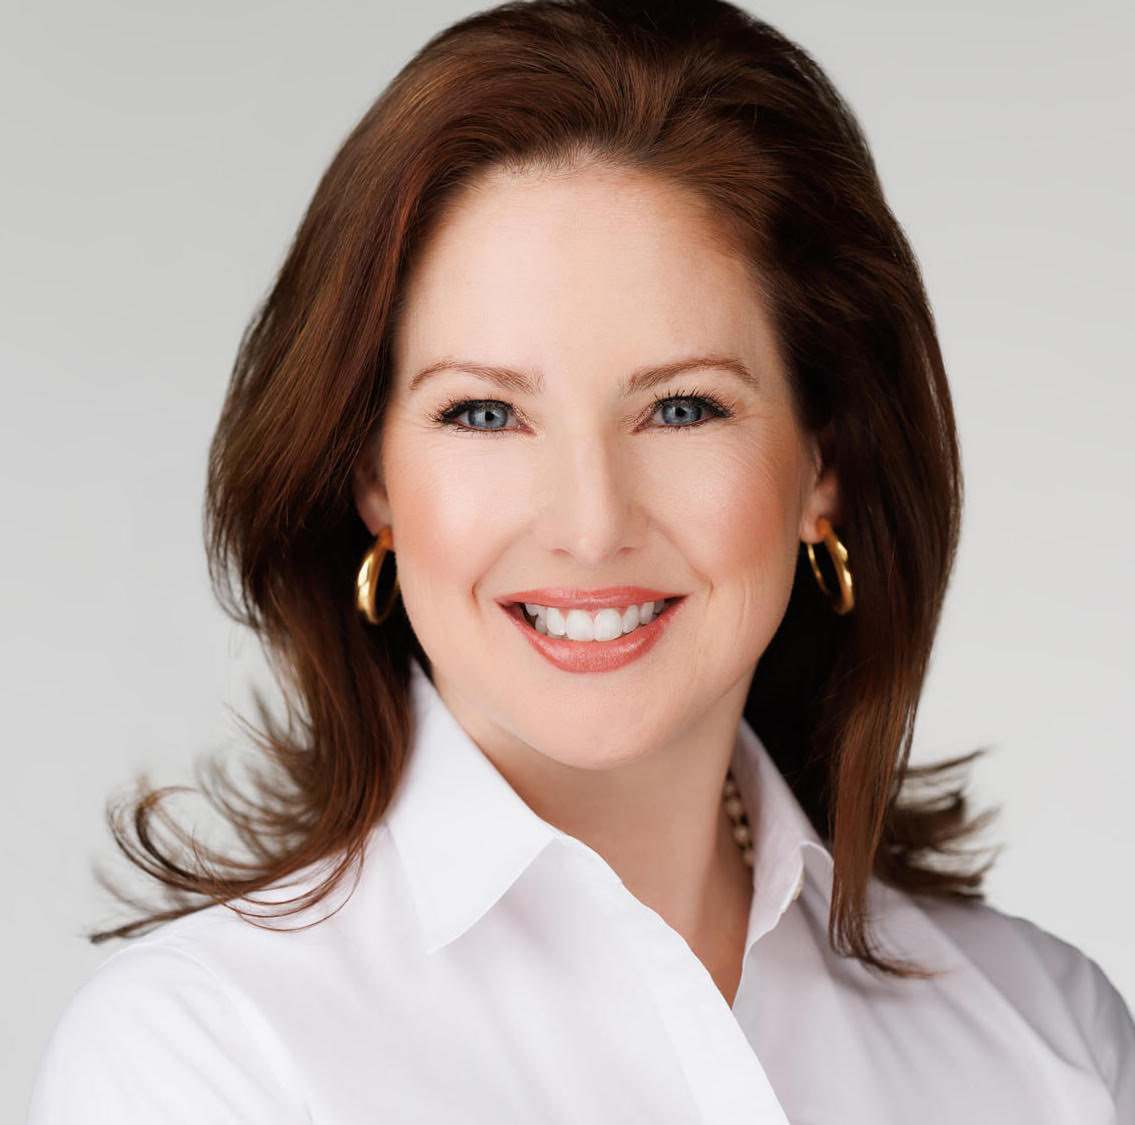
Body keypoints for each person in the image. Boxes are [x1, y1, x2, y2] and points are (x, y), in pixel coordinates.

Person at [26, 1, 1134, 1122]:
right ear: (371, 478)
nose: (590, 524)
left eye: (683, 407)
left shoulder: (1047, 1035)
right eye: (485, 415)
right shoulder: (202, 1060)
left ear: (824, 463)